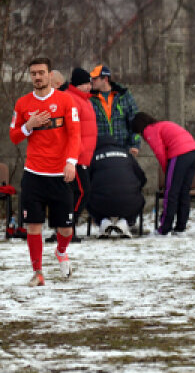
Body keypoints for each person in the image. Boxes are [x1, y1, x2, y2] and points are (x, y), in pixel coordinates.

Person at [9, 57, 82, 286]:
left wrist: (71, 162)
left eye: (41, 72)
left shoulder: (66, 101)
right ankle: (38, 272)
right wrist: (28, 126)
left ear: (51, 75)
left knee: (66, 230)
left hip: (60, 174)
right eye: (33, 73)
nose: (37, 77)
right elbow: (14, 136)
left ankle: (61, 251)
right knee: (33, 225)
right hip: (33, 174)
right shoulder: (22, 104)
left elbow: (75, 134)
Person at [89, 63, 140, 236]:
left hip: (123, 150)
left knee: (127, 185)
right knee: (98, 186)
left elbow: (135, 121)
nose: (92, 82)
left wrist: (135, 144)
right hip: (99, 150)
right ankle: (102, 221)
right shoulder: (90, 98)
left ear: (105, 79)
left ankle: (125, 221)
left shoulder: (124, 96)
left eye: (95, 78)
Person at [131, 113, 195, 236]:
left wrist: (167, 171)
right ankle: (180, 228)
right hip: (194, 153)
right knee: (184, 192)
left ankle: (164, 228)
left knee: (171, 192)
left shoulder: (149, 130)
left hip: (180, 154)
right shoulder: (162, 124)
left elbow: (160, 152)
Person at [54, 68, 97, 228]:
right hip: (75, 156)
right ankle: (67, 226)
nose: (89, 87)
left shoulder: (86, 100)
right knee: (82, 192)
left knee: (75, 193)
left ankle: (66, 226)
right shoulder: (72, 99)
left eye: (89, 83)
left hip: (83, 156)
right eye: (85, 84)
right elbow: (71, 130)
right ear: (77, 84)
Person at [86, 145, 146, 238]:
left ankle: (103, 221)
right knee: (140, 200)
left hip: (101, 202)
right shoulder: (127, 155)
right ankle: (126, 222)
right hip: (129, 201)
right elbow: (142, 178)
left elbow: (85, 182)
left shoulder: (93, 156)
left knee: (86, 197)